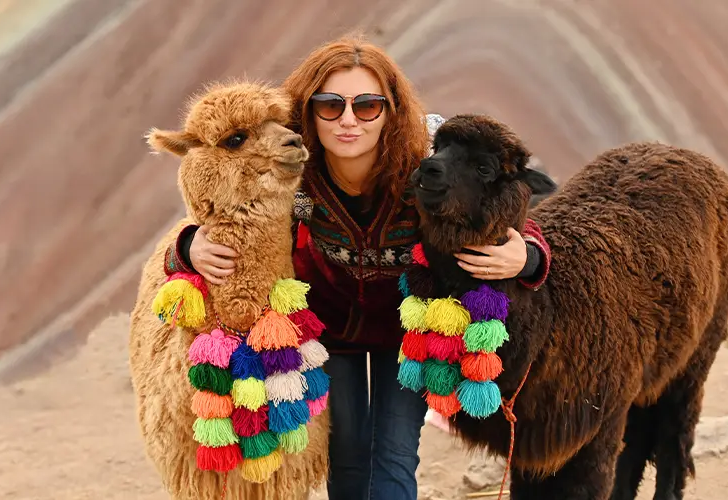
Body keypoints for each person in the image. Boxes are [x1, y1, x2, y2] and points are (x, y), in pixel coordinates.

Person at [161, 33, 551, 500]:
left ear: (390, 110)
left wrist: (526, 254)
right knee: (345, 458)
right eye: (330, 105)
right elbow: (221, 214)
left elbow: (505, 202)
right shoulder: (288, 169)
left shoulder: (428, 166)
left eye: (367, 106)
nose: (348, 120)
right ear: (309, 110)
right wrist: (189, 247)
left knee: (393, 457)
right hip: (328, 333)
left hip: (407, 334)